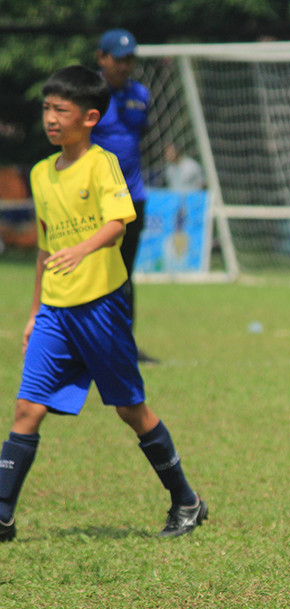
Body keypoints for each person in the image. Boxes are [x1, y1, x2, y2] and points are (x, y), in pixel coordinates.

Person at [0, 65, 207, 543]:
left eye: (61, 110)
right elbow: (45, 250)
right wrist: (33, 313)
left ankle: (186, 500)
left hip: (100, 309)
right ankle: (3, 516)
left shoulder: (102, 163)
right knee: (27, 409)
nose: (51, 118)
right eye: (47, 108)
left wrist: (82, 249)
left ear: (90, 117)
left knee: (131, 410)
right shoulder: (40, 174)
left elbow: (119, 221)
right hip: (55, 312)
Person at [92, 28, 157, 362]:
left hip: (133, 197)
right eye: (118, 59)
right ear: (102, 58)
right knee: (91, 272)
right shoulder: (87, 94)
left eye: (129, 59)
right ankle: (86, 344)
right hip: (95, 200)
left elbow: (139, 137)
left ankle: (124, 346)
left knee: (125, 275)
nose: (125, 65)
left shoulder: (141, 94)